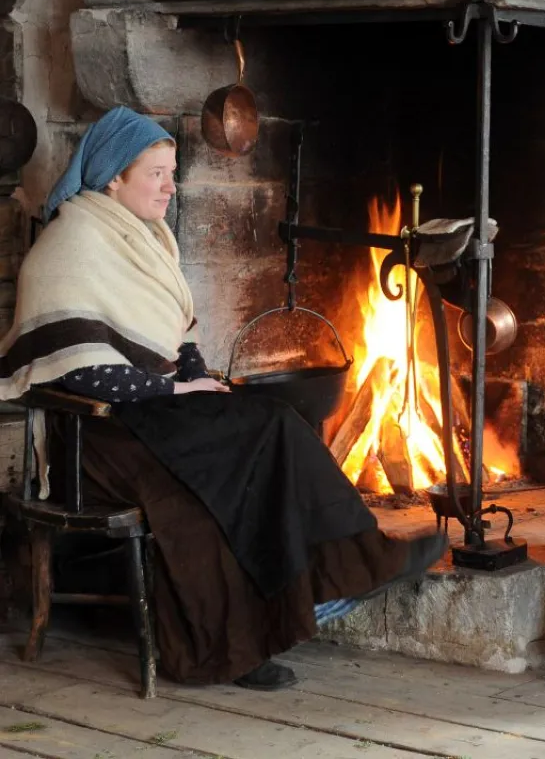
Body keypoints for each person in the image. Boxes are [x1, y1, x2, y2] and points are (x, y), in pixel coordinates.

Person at [0, 106, 447, 691]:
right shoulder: (72, 244)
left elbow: (176, 333)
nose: (170, 185)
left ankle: (347, 568)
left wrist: (194, 376)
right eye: (156, 173)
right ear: (113, 177)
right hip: (99, 435)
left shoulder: (145, 236)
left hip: (155, 412)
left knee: (277, 424)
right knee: (202, 487)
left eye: (172, 171)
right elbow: (82, 374)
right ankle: (231, 647)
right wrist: (178, 387)